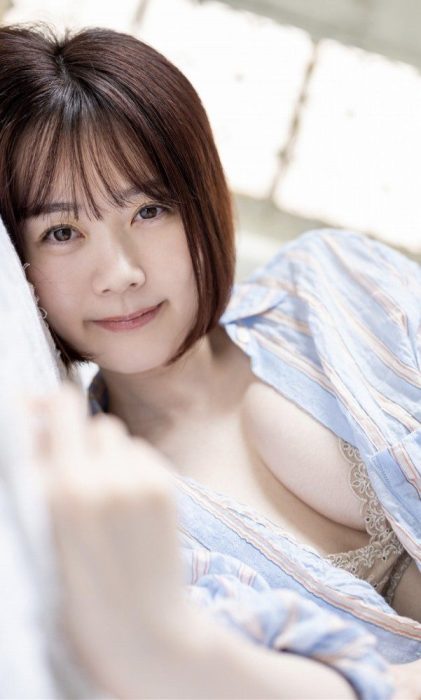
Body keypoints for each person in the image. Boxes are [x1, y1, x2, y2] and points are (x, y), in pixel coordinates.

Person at [1, 22, 421, 698]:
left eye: (148, 210)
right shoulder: (111, 499)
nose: (121, 272)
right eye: (62, 231)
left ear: (200, 198)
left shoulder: (337, 284)